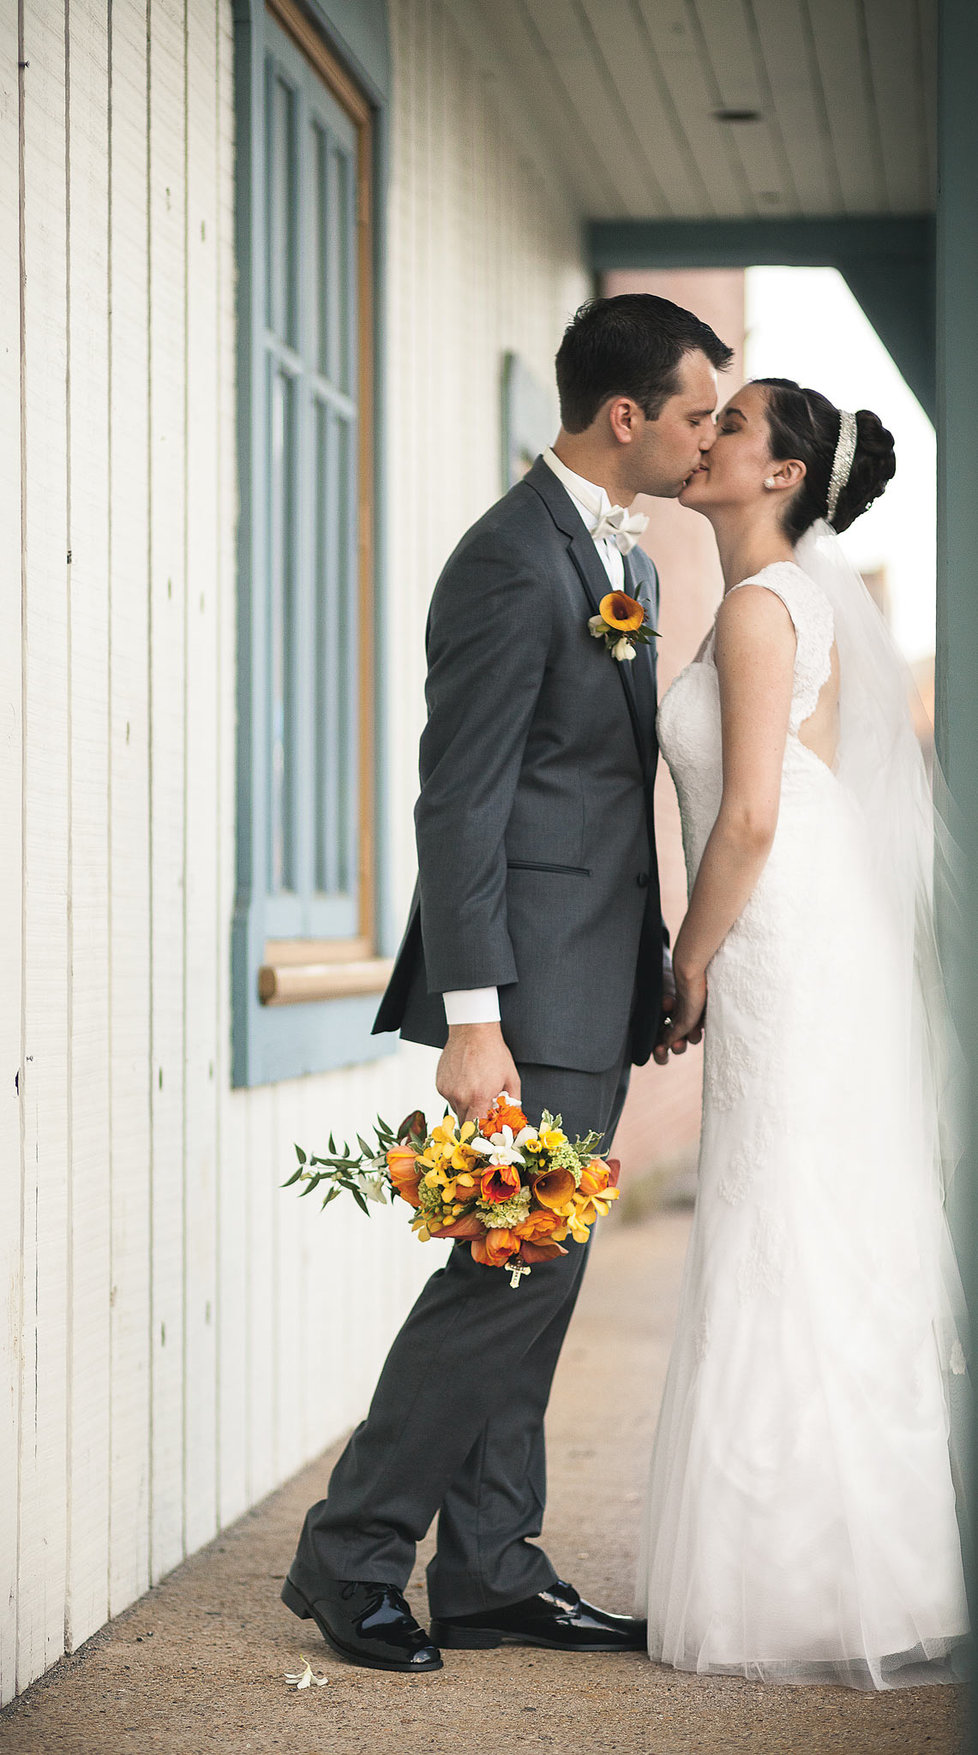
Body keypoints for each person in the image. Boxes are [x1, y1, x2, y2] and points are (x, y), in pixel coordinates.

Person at [281, 293, 732, 1672]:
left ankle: (490, 1569)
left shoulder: (626, 564)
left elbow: (594, 793)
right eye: (696, 414)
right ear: (625, 417)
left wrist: (652, 958)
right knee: (500, 1281)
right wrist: (471, 1024)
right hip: (520, 1001)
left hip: (594, 987)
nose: (705, 439)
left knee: (539, 1286)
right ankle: (348, 1556)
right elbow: (459, 806)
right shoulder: (504, 561)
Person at [642, 376, 969, 1688]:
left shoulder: (764, 605)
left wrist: (688, 957)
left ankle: (802, 1591)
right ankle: (836, 1574)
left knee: (786, 1219)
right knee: (794, 1216)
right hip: (791, 924)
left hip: (779, 924)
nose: (704, 433)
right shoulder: (773, 599)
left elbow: (753, 815)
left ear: (778, 474)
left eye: (731, 425)